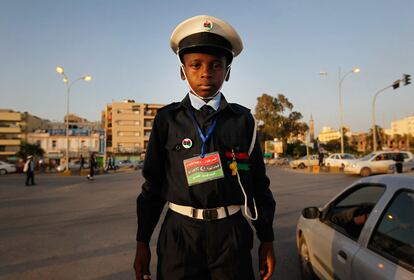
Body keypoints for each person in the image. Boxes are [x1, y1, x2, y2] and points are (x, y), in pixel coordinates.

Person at [134, 15, 276, 280]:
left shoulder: (243, 120)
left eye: (216, 65)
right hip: (179, 235)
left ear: (228, 71)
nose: (205, 73)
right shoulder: (167, 120)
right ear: (182, 71)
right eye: (195, 65)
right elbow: (152, 186)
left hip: (231, 234)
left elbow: (258, 184)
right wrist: (142, 242)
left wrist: (266, 238)